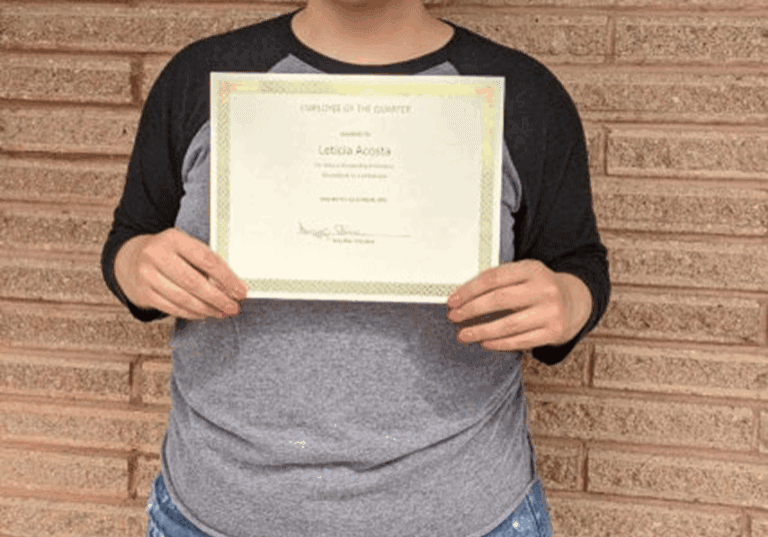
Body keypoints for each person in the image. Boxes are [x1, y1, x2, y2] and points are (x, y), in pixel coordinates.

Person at [101, 0, 610, 535]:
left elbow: (578, 263)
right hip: (211, 512)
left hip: (468, 513)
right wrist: (140, 266)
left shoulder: (523, 94)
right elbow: (130, 239)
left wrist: (567, 302)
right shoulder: (203, 77)